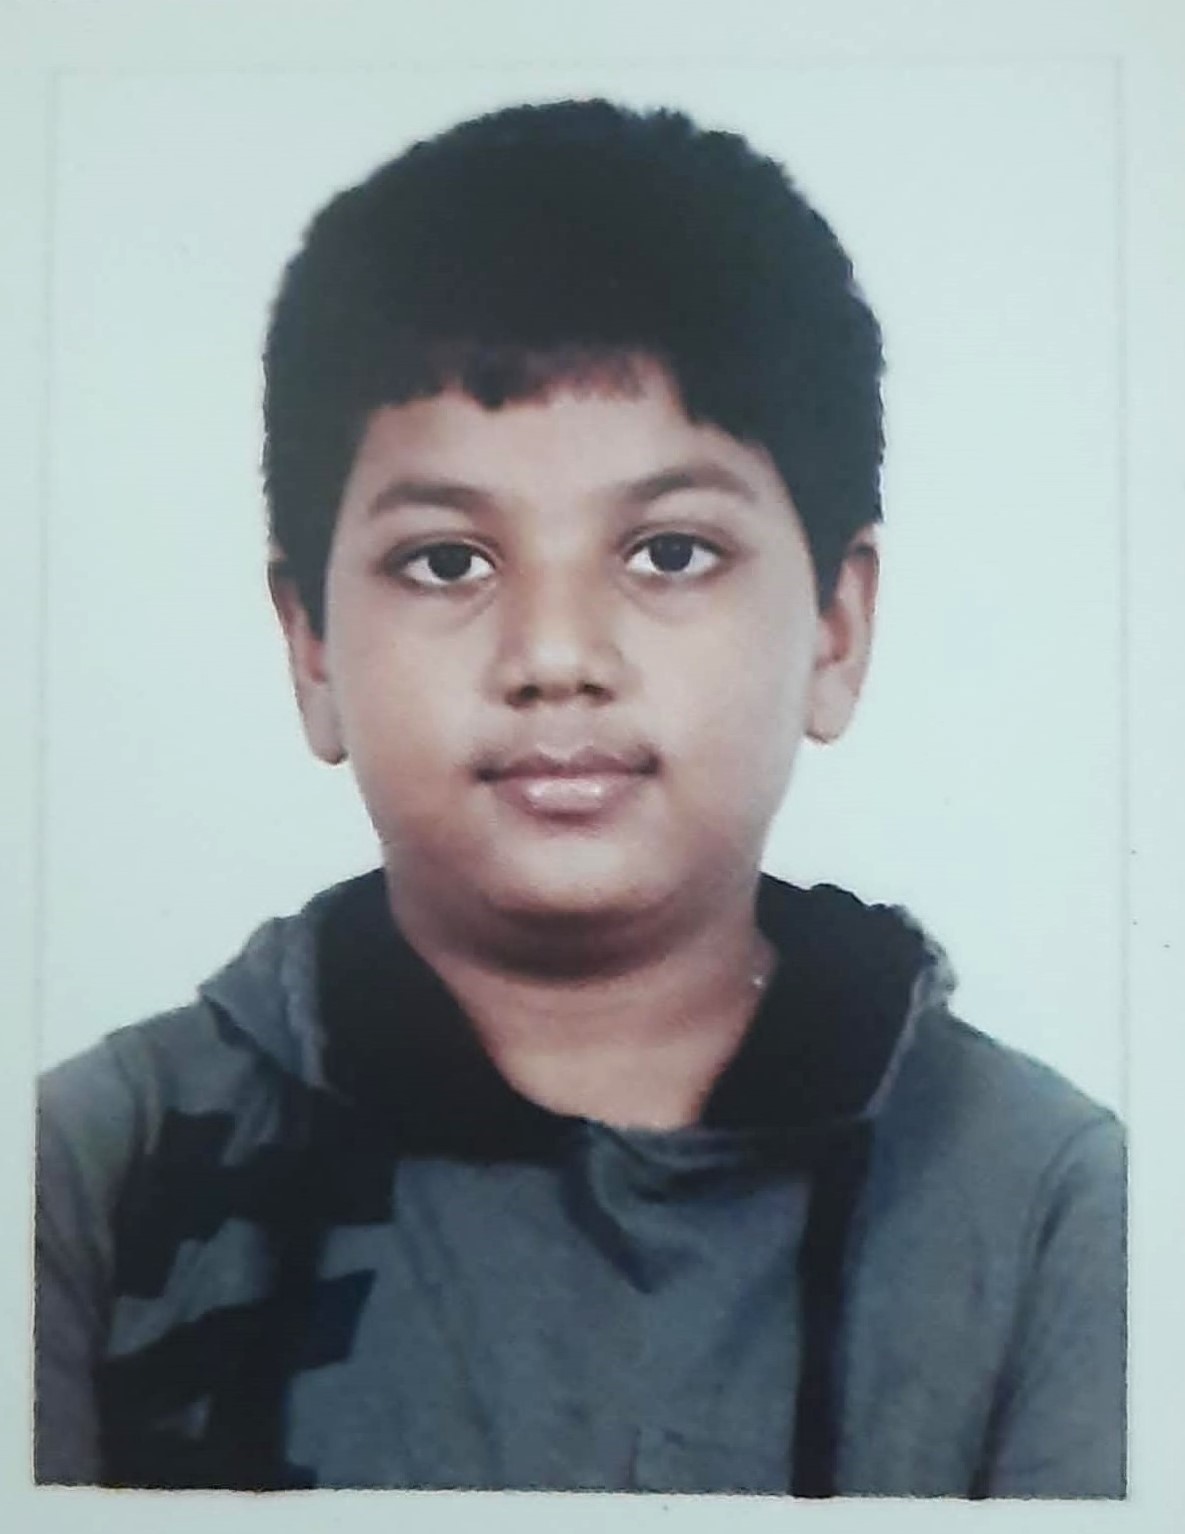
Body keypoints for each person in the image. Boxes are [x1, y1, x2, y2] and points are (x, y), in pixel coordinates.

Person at [33, 97, 1125, 1497]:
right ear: (310, 646)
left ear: (835, 631)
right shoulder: (82, 1176)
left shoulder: (1052, 1210)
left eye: (669, 552)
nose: (555, 655)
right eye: (447, 561)